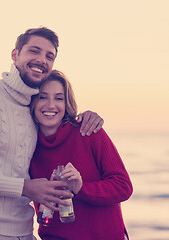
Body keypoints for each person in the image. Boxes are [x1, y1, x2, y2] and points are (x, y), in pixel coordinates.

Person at [0, 27, 104, 240]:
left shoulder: (33, 107)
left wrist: (87, 116)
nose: (42, 60)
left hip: (24, 230)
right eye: (34, 51)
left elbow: (57, 117)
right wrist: (25, 187)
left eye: (49, 56)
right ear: (15, 54)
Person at [29, 70, 133, 240]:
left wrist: (81, 188)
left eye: (59, 98)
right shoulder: (27, 145)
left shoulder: (88, 132)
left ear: (66, 103)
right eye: (42, 97)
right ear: (32, 100)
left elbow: (124, 187)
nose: (50, 105)